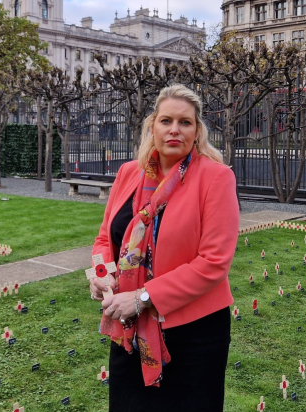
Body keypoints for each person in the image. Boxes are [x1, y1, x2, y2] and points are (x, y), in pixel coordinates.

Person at [89, 84, 239, 411]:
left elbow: (214, 262)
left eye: (185, 122)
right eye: (166, 120)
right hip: (129, 328)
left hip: (193, 334)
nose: (174, 129)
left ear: (197, 131)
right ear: (152, 126)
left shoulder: (216, 178)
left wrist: (143, 297)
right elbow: (104, 238)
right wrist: (100, 275)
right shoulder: (129, 173)